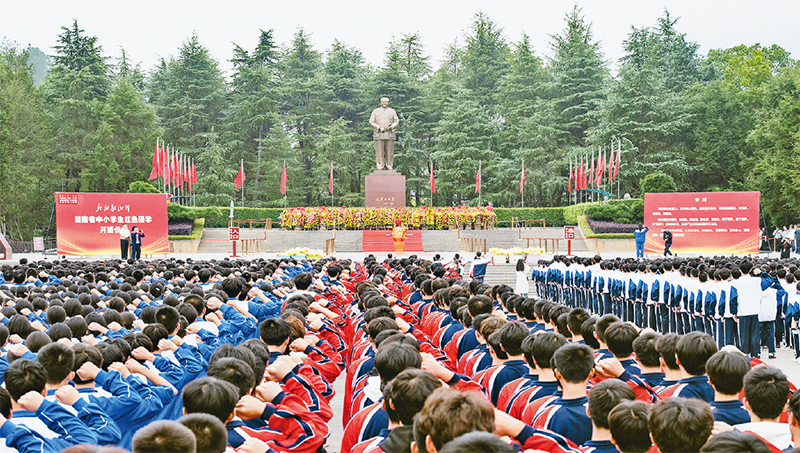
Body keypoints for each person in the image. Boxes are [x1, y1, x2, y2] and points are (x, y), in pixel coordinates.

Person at [368, 97, 399, 171]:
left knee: (390, 151)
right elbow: (371, 122)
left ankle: (389, 165)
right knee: (379, 151)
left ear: (388, 103)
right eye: (383, 102)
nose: (384, 103)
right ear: (380, 102)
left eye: (386, 102)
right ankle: (380, 166)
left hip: (390, 134)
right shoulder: (375, 111)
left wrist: (391, 127)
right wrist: (379, 127)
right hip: (379, 134)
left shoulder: (392, 111)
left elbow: (396, 121)